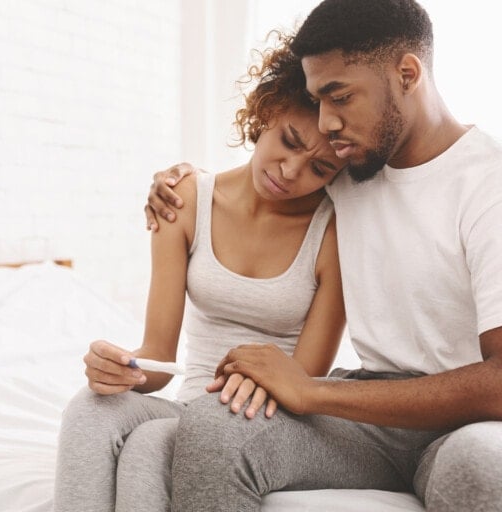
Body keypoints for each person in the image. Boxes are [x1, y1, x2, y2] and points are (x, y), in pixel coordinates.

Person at [145, 1, 502, 510]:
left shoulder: (501, 184)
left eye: (340, 97)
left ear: (407, 73)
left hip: (488, 422)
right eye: (317, 101)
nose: (327, 123)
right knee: (214, 424)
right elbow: (260, 183)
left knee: (479, 468)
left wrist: (314, 392)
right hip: (377, 421)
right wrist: (178, 182)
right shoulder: (350, 172)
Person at [53, 33, 348, 512]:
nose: (291, 171)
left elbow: (303, 381)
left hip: (264, 415)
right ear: (265, 112)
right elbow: (157, 360)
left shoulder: (332, 233)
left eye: (319, 169)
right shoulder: (187, 198)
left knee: (151, 447)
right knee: (90, 408)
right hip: (186, 402)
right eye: (288, 141)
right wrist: (119, 369)